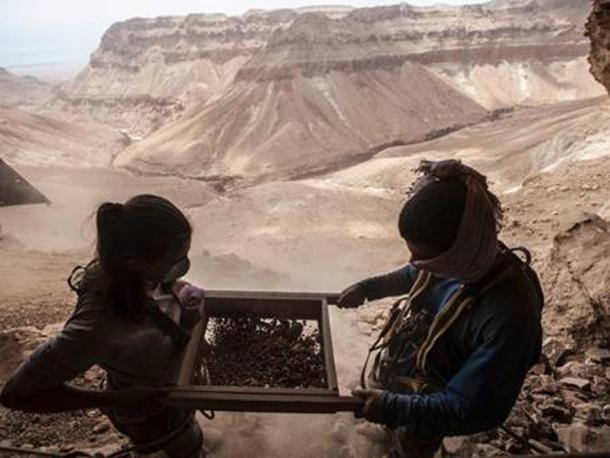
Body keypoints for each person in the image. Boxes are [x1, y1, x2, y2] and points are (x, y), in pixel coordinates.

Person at [338, 160, 544, 458]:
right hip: (406, 372)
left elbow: (471, 406)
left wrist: (391, 407)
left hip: (434, 401)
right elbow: (417, 274)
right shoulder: (464, 258)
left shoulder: (511, 317)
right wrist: (369, 288)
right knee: (387, 417)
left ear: (457, 251)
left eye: (422, 256)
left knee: (411, 443)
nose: (412, 260)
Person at [0, 194, 207, 457]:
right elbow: (15, 394)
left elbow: (155, 310)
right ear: (136, 263)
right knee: (176, 447)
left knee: (189, 439)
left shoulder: (138, 275)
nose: (183, 267)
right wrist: (120, 399)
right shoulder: (95, 326)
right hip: (148, 418)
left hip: (173, 398)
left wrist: (184, 315)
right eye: (175, 261)